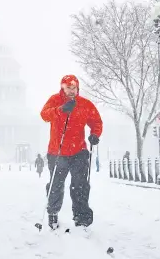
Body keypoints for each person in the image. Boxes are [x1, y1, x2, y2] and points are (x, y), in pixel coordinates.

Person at [40, 74, 102, 229]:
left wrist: (95, 134)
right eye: (68, 88)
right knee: (56, 185)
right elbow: (44, 115)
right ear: (62, 87)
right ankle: (53, 214)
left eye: (73, 87)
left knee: (80, 185)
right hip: (57, 151)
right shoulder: (54, 100)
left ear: (77, 88)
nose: (71, 91)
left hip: (79, 151)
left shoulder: (85, 104)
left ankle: (81, 218)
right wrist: (60, 110)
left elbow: (96, 121)